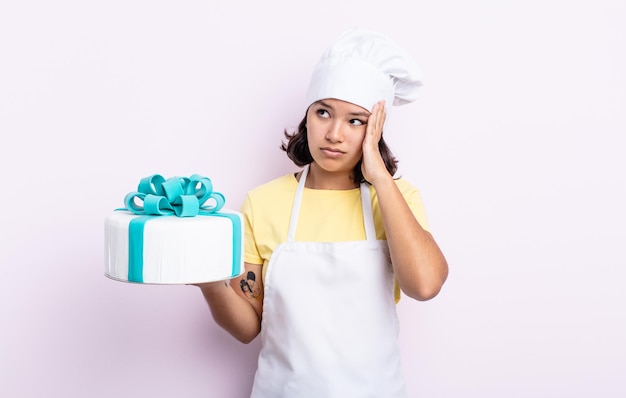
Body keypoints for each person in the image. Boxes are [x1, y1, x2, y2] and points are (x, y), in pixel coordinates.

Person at [196, 27, 448, 397]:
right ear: (307, 116)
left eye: (355, 121)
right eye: (324, 112)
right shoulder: (263, 202)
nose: (334, 133)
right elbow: (248, 327)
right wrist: (208, 282)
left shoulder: (396, 199)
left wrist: (378, 175)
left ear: (375, 129)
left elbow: (424, 286)